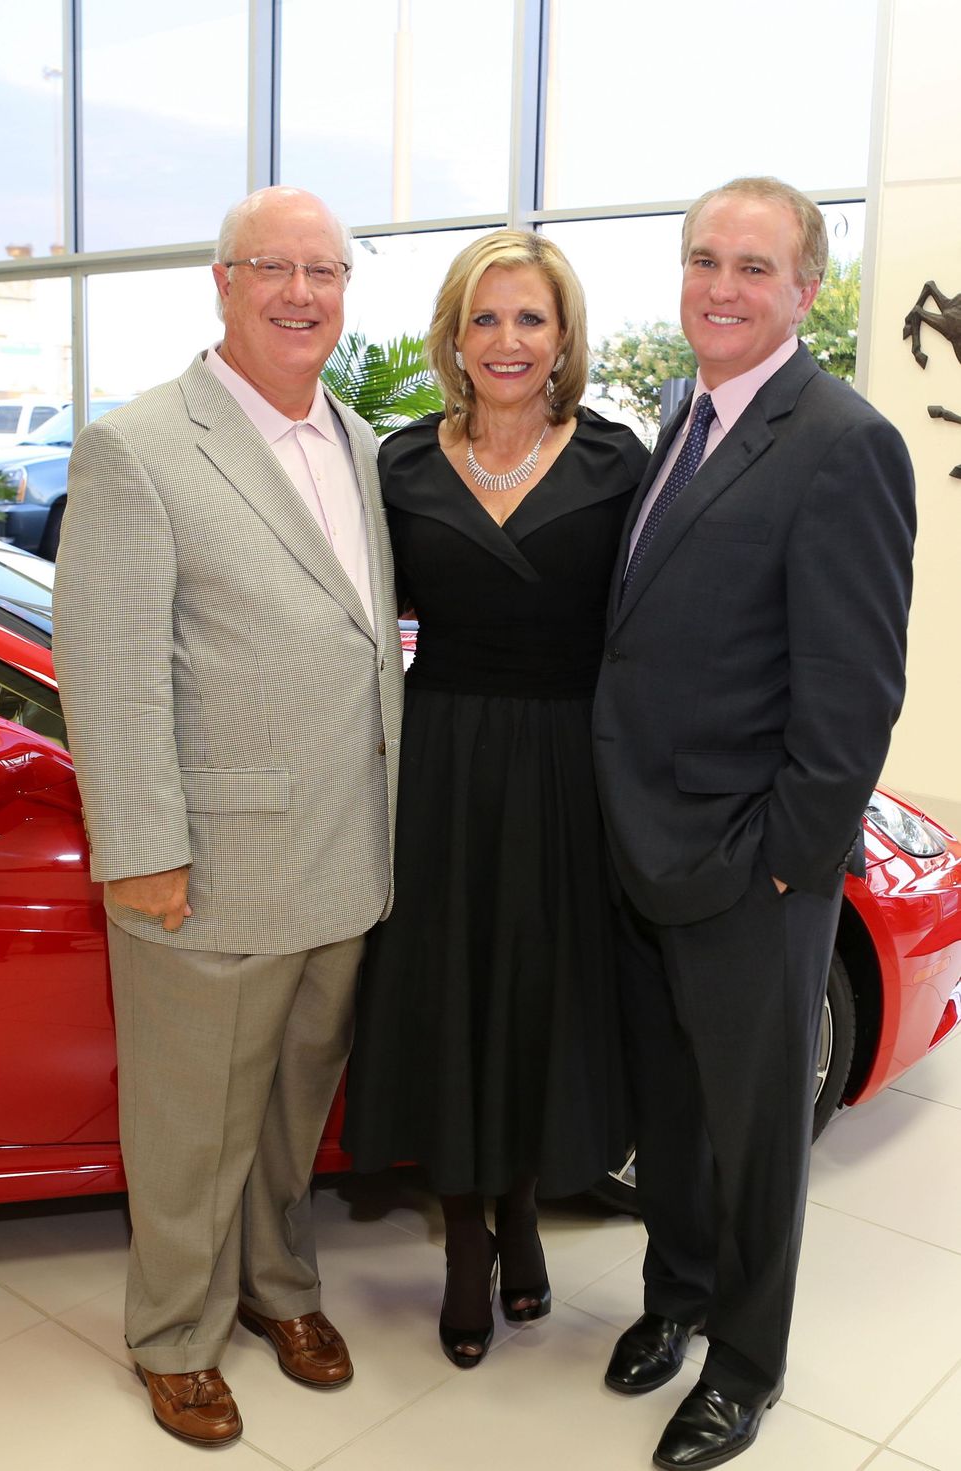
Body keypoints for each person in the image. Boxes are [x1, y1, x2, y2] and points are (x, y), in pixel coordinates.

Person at [52, 186, 403, 1448]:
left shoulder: (359, 442)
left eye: (324, 270)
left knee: (291, 1113)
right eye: (273, 268)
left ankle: (278, 1290)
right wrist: (142, 849)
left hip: (341, 862)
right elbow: (108, 667)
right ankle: (175, 1337)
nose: (301, 293)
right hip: (208, 873)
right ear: (221, 281)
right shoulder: (141, 445)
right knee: (191, 1127)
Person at [593, 176, 916, 1469]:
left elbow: (853, 694)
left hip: (747, 867)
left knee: (758, 1126)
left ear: (807, 289)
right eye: (702, 259)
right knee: (670, 1104)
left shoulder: (843, 441)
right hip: (644, 841)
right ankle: (675, 1295)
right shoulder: (687, 411)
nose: (720, 285)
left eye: (752, 266)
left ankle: (745, 1360)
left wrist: (791, 867)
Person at [341, 231, 649, 1368]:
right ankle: (467, 1246)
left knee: (536, 998)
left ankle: (521, 1210)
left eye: (529, 319)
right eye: (485, 319)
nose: (506, 341)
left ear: (563, 336)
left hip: (568, 765)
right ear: (453, 339)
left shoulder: (621, 461)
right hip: (446, 763)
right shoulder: (401, 465)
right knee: (448, 999)